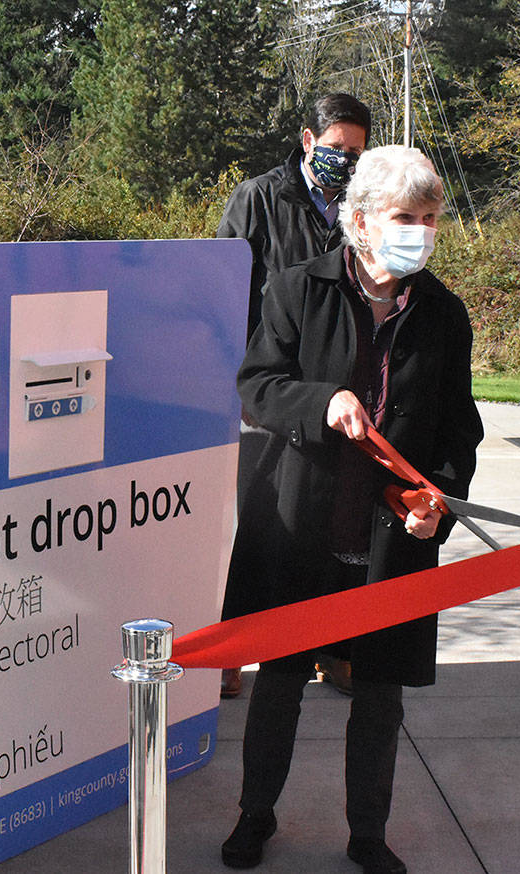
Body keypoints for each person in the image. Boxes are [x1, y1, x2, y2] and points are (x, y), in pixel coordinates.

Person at [220, 146, 482, 874]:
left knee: (380, 695)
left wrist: (439, 500)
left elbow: (459, 429)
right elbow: (257, 386)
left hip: (392, 539)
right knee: (280, 682)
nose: (421, 232)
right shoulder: (298, 289)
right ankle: (254, 817)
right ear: (360, 223)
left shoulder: (443, 313)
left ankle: (368, 834)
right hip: (300, 525)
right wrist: (319, 399)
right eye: (406, 217)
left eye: (431, 219)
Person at [217, 93, 371, 699]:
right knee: (257, 526)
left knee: (335, 522)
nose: (346, 160)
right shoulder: (258, 198)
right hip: (270, 389)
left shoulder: (358, 208)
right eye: (336, 148)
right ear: (307, 140)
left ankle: (331, 648)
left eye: (356, 151)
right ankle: (232, 651)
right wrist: (244, 382)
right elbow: (225, 291)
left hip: (338, 393)